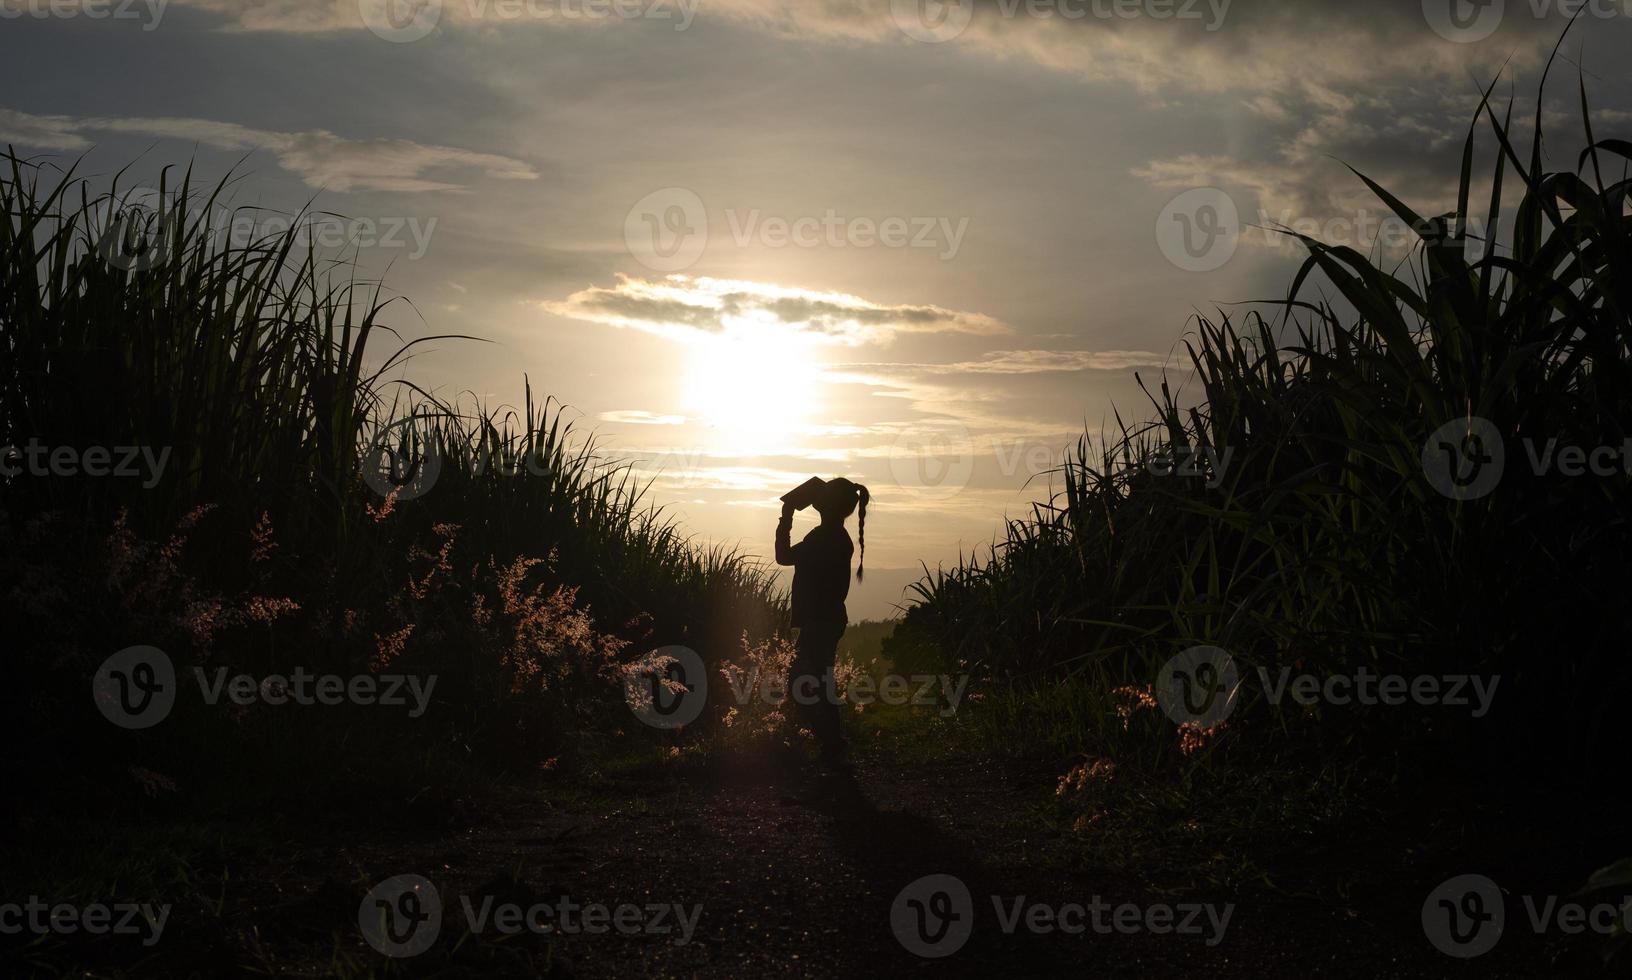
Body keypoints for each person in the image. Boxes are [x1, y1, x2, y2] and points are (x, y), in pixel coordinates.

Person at [775, 477, 868, 763]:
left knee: (800, 683)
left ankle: (832, 743)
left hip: (819, 621)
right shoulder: (836, 536)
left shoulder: (823, 537)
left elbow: (783, 556)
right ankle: (832, 744)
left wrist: (787, 515)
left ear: (829, 503)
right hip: (828, 620)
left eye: (824, 492)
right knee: (819, 683)